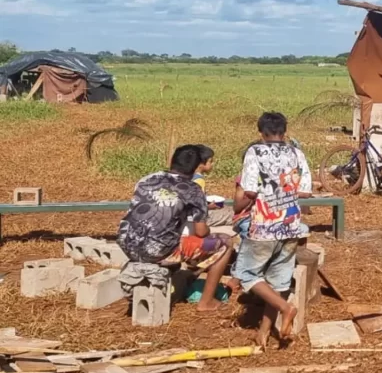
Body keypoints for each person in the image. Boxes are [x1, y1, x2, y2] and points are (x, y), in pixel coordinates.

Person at [116, 145, 234, 313]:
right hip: (158, 251)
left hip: (126, 243)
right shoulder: (194, 190)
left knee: (171, 231)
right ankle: (206, 302)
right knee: (226, 243)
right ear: (196, 167)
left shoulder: (148, 178)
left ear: (172, 161)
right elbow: (201, 232)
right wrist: (206, 225)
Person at [232, 112, 313, 347]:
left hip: (264, 224)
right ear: (284, 132)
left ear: (261, 133)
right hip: (290, 225)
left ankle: (286, 308)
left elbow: (248, 190)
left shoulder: (255, 152)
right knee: (277, 283)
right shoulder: (297, 153)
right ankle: (263, 334)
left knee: (247, 274)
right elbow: (305, 191)